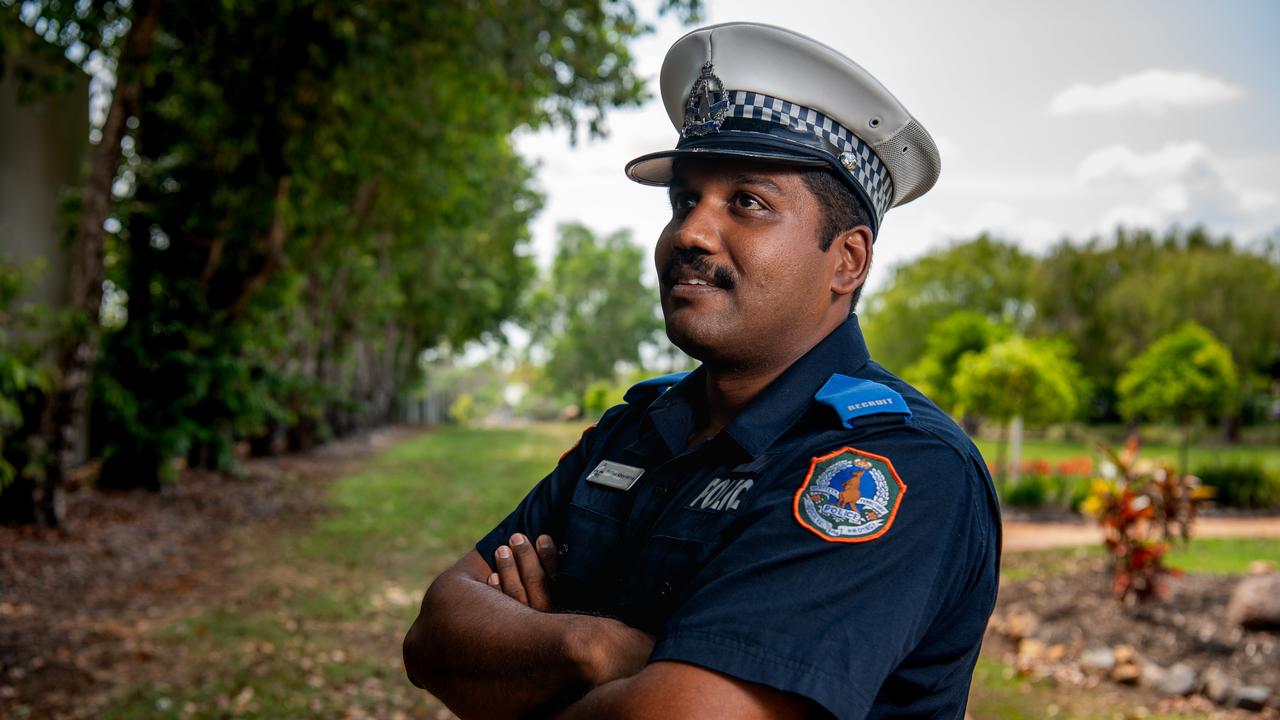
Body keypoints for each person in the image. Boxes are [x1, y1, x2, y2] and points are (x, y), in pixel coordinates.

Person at [404, 21, 1000, 720]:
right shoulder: (633, 432)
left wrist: (524, 671)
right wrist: (591, 648)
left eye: (747, 202)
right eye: (685, 200)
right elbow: (434, 634)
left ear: (847, 261)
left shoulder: (892, 466)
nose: (690, 233)